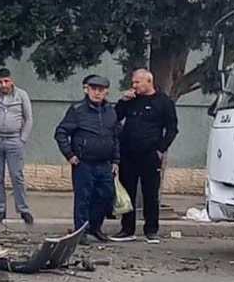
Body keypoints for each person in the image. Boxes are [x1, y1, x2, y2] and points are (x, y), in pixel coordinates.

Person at [111, 69, 179, 243]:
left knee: (150, 192)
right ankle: (127, 229)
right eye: (133, 82)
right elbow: (114, 118)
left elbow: (172, 129)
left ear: (149, 81)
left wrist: (161, 149)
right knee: (128, 192)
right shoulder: (130, 101)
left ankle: (151, 230)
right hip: (128, 153)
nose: (134, 86)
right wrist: (122, 101)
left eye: (137, 82)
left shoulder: (163, 102)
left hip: (150, 153)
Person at [54, 75, 119, 243]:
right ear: (87, 90)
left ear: (106, 93)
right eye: (93, 89)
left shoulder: (110, 111)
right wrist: (69, 155)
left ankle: (95, 227)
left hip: (104, 163)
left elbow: (115, 136)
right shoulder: (78, 110)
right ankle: (80, 232)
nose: (97, 93)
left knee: (107, 195)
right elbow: (61, 132)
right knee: (83, 198)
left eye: (101, 90)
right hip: (83, 163)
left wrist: (116, 161)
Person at [0, 68, 35, 224]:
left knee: (17, 176)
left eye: (6, 81)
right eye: (0, 82)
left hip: (14, 141)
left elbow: (29, 119)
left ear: (11, 81)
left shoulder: (21, 95)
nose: (3, 85)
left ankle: (23, 210)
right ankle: (0, 210)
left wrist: (22, 139)